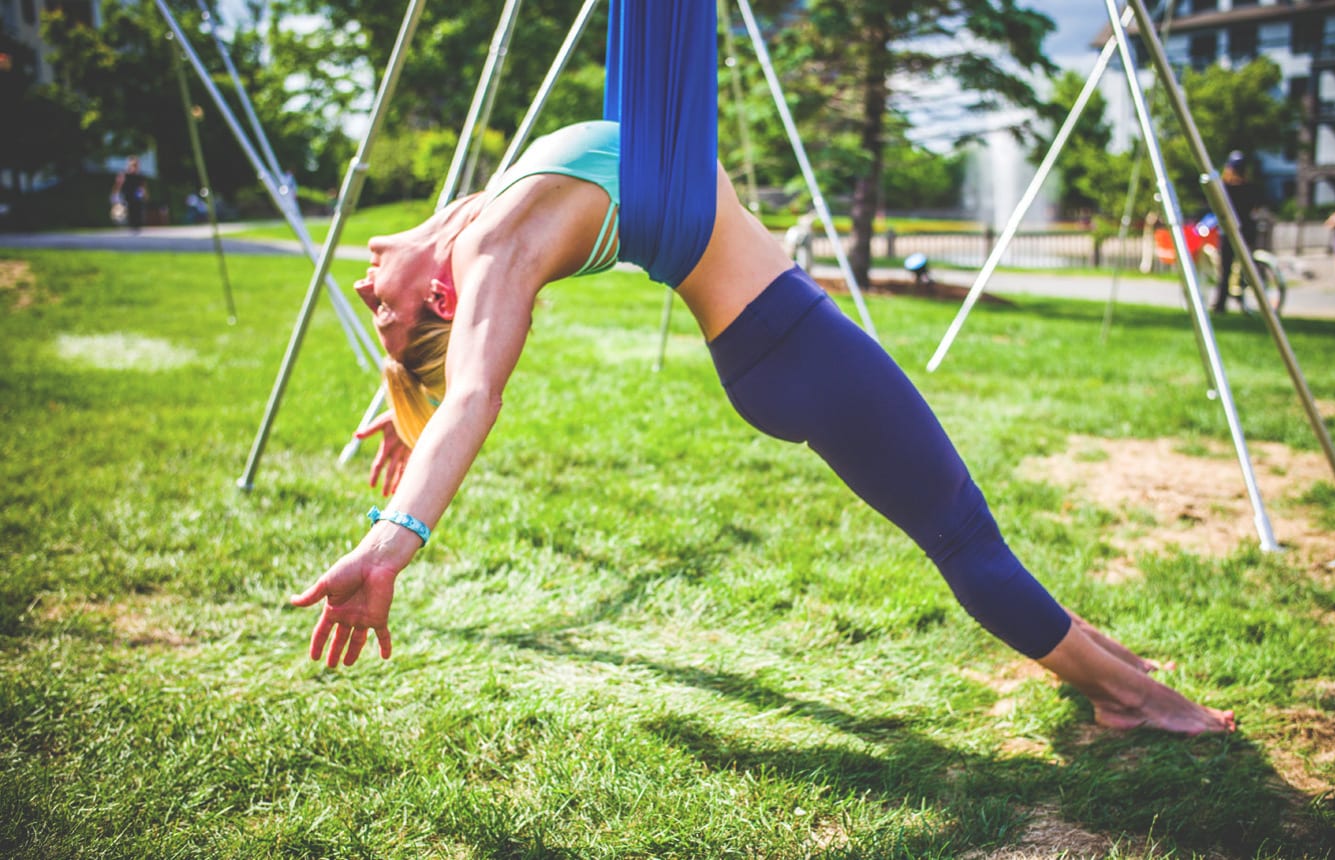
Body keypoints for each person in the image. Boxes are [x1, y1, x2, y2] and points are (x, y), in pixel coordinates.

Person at [291, 120, 1236, 736]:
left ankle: (1094, 655)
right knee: (961, 534)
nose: (368, 284)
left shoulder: (467, 223)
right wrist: (390, 543)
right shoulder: (494, 253)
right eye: (385, 309)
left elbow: (432, 366)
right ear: (445, 296)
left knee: (961, 525)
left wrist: (398, 390)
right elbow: (473, 394)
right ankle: (1127, 699)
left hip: (779, 342)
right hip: (791, 349)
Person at [1212, 151, 1260, 313]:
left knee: (1226, 270)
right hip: (1246, 231)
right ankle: (1238, 298)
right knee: (1242, 268)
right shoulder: (1251, 187)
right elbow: (1255, 208)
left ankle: (1221, 304)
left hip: (1231, 232)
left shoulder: (1224, 188)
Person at [112, 156, 147, 233]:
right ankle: (131, 225)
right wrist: (115, 194)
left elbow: (142, 186)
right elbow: (118, 184)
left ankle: (137, 225)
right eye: (132, 165)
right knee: (129, 209)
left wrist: (144, 194)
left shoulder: (140, 175)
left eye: (136, 165)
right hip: (128, 195)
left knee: (137, 209)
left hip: (137, 195)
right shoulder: (124, 174)